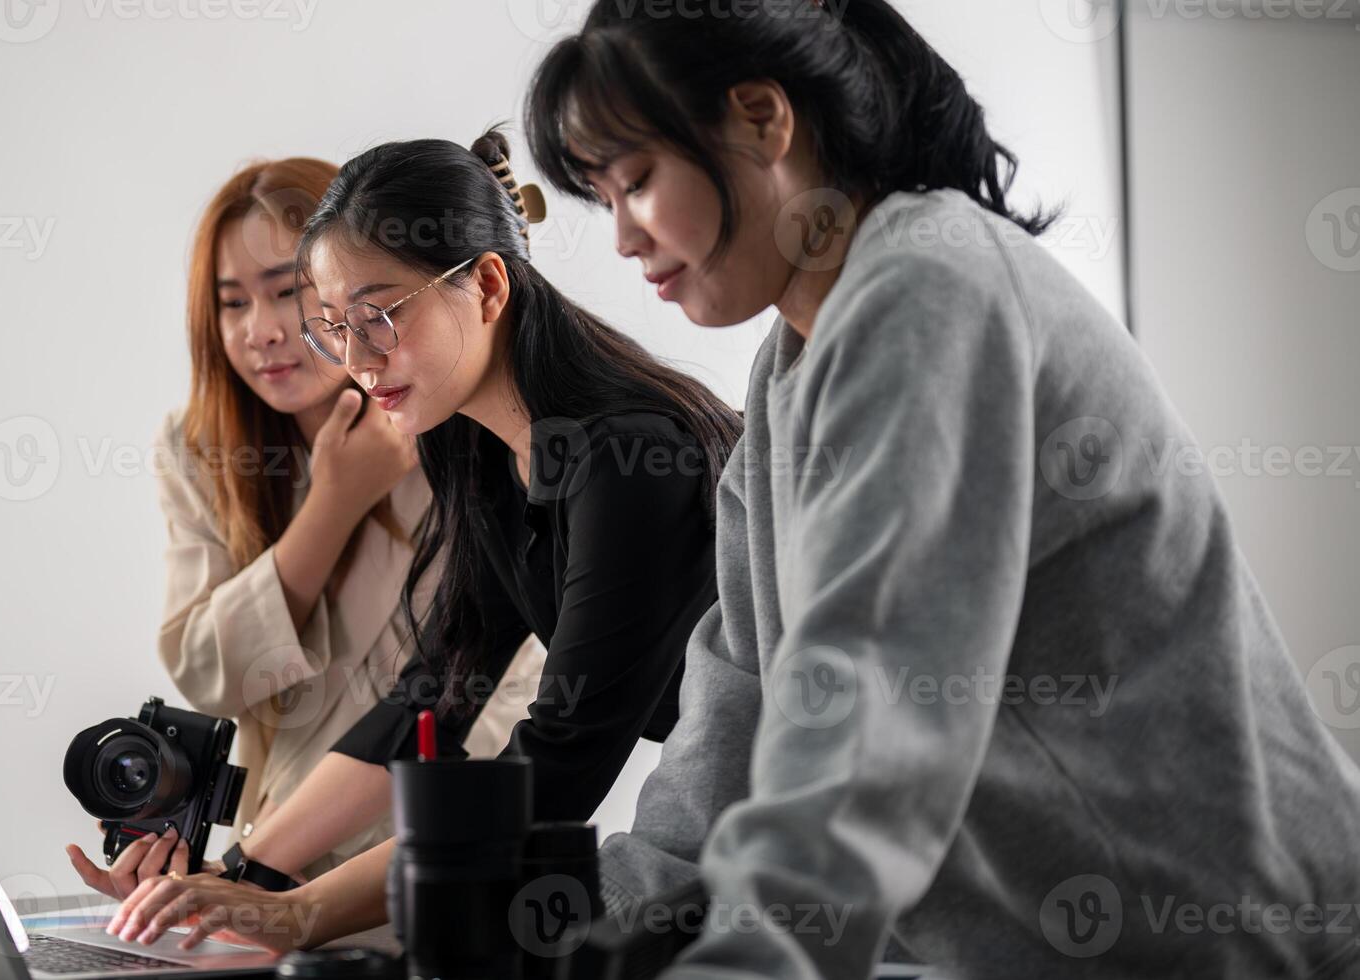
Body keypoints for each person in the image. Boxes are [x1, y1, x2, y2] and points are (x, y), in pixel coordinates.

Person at [519, 1, 1360, 977]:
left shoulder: (927, 287)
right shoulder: (788, 366)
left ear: (760, 119)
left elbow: (869, 712)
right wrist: (573, 926)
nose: (620, 237)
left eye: (634, 182)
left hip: (1235, 938)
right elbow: (735, 708)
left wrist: (745, 956)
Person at [101, 129, 742, 952]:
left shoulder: (627, 460)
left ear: (485, 284)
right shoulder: (475, 448)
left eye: (380, 316)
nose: (359, 359)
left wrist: (304, 912)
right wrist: (241, 876)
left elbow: (558, 767)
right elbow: (431, 694)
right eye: (333, 327)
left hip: (831, 818)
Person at [65, 157, 543, 899]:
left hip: (426, 861)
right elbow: (208, 673)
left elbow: (494, 703)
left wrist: (267, 873)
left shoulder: (467, 429)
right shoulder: (202, 450)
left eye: (287, 292)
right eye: (230, 304)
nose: (261, 332)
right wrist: (334, 504)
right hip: (266, 853)